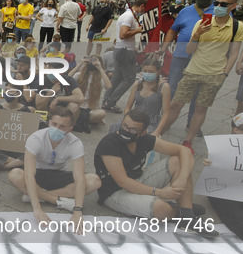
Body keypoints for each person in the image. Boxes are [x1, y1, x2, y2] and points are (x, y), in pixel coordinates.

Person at [94, 109, 217, 239]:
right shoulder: (110, 143)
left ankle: (187, 216)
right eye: (124, 126)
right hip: (114, 192)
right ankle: (177, 210)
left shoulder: (145, 139)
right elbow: (122, 181)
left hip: (138, 180)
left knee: (178, 161)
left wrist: (182, 177)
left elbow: (185, 151)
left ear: (143, 132)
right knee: (161, 210)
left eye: (133, 130)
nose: (126, 131)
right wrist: (159, 192)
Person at [164, 0, 243, 155]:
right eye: (217, 3)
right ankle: (159, 133)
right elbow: (189, 49)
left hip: (215, 74)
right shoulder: (202, 22)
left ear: (233, 6)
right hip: (193, 70)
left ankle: (188, 140)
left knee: (201, 108)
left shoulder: (237, 27)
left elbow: (234, 53)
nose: (218, 6)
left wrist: (224, 74)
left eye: (223, 4)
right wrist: (197, 35)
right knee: (175, 104)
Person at [8, 107, 101, 232]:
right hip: (38, 174)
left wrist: (78, 210)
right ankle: (57, 201)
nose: (56, 128)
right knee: (15, 175)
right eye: (54, 124)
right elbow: (29, 175)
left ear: (69, 129)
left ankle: (36, 194)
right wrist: (37, 208)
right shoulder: (35, 138)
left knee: (94, 181)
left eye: (62, 126)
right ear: (48, 122)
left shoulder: (75, 143)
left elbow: (79, 178)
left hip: (59, 174)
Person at [157, 0, 217, 134]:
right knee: (172, 87)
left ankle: (192, 124)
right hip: (181, 56)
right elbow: (172, 30)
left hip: (203, 60)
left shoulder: (219, 11)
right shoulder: (185, 11)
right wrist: (163, 48)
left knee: (198, 92)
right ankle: (165, 120)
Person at [101, 0, 147, 113]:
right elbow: (123, 34)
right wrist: (138, 31)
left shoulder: (126, 15)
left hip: (121, 49)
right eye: (145, 9)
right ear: (142, 6)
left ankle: (106, 100)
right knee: (129, 78)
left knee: (118, 77)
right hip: (125, 50)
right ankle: (111, 101)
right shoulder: (129, 17)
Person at [202, 113, 243, 239]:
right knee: (237, 218)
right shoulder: (223, 147)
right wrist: (211, 163)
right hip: (225, 190)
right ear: (236, 130)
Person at [109, 58, 170, 136]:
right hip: (134, 118)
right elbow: (128, 107)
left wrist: (157, 131)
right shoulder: (137, 84)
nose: (147, 73)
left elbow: (165, 113)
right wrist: (127, 119)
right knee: (115, 128)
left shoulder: (164, 87)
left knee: (141, 136)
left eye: (151, 72)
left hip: (151, 122)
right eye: (145, 71)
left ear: (158, 72)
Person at [0, 83, 30, 171]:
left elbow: (26, 133)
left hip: (17, 148)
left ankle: (4, 166)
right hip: (0, 147)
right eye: (5, 90)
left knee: (31, 153)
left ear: (18, 93)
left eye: (9, 91)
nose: (6, 93)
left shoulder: (25, 110)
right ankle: (19, 163)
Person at [71, 55, 112, 125]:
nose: (92, 63)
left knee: (102, 113)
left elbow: (108, 86)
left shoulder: (100, 79)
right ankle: (83, 121)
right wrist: (80, 64)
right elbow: (66, 78)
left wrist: (100, 68)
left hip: (90, 110)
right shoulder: (79, 75)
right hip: (77, 107)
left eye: (95, 61)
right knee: (71, 106)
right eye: (91, 61)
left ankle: (78, 120)